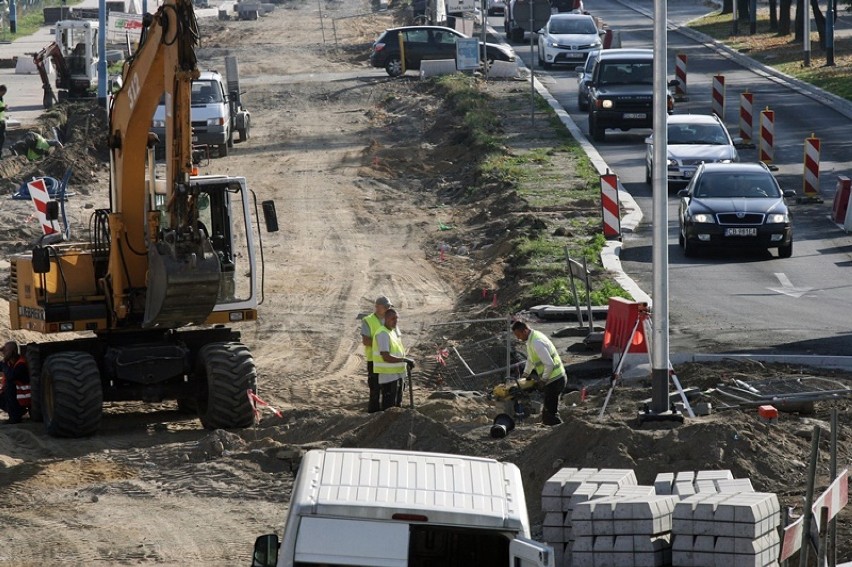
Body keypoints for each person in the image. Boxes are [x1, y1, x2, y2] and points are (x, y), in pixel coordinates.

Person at [511, 321, 566, 426]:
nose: (518, 338)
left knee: (550, 413)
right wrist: (525, 375)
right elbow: (531, 360)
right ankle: (552, 429)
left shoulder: (536, 342)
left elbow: (549, 364)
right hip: (554, 378)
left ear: (525, 330)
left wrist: (543, 380)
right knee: (548, 411)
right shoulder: (531, 340)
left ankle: (561, 430)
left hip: (555, 379)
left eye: (519, 335)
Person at [372, 308, 414, 411]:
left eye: (396, 318)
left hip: (397, 374)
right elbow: (386, 356)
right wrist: (404, 360)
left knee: (397, 404)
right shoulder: (383, 333)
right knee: (389, 406)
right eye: (392, 318)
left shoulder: (392, 332)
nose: (395, 321)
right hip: (388, 376)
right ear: (386, 319)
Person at [361, 296, 392, 413]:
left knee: (388, 390)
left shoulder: (390, 320)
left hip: (388, 360)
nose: (389, 309)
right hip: (374, 361)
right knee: (375, 390)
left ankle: (385, 415)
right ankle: (373, 415)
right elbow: (366, 341)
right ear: (378, 307)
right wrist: (382, 342)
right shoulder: (368, 320)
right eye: (387, 306)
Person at [0, 341, 30, 425]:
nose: (4, 353)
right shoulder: (10, 363)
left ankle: (15, 417)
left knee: (10, 385)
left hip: (24, 397)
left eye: (6, 351)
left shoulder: (21, 364)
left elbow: (10, 376)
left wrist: (4, 362)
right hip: (17, 397)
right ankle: (16, 412)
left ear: (12, 352)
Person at [0, 84, 7, 157]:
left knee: (3, 138)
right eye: (3, 93)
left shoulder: (1, 98)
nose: (4, 94)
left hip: (2, 121)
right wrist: (3, 108)